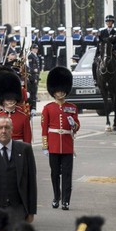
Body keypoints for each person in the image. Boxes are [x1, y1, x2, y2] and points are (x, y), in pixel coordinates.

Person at [41, 67, 80, 210]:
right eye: (58, 91)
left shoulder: (72, 107)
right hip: (54, 145)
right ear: (53, 91)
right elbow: (44, 129)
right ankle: (56, 197)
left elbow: (76, 125)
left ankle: (66, 200)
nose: (60, 94)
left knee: (67, 175)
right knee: (55, 174)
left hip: (67, 145)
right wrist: (45, 146)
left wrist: (74, 125)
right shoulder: (48, 108)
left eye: (62, 91)